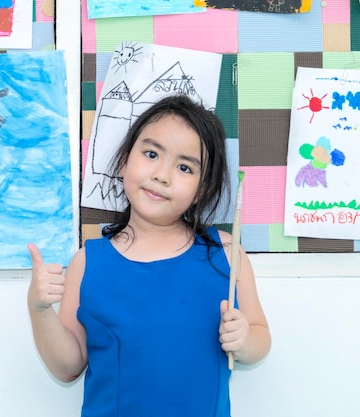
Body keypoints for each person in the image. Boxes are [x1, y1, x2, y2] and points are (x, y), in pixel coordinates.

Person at [27, 94, 271, 416]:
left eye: (185, 167)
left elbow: (260, 337)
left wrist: (244, 343)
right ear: (124, 161)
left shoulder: (226, 253)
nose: (162, 175)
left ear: (201, 189)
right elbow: (67, 367)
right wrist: (39, 309)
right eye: (152, 153)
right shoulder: (89, 262)